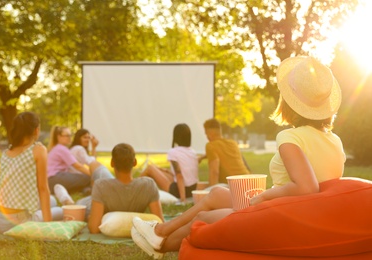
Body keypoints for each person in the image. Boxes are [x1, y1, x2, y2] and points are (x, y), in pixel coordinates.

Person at [131, 56, 345, 258]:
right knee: (215, 194)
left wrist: (265, 196)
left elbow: (307, 187)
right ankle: (159, 230)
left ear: (289, 102)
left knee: (202, 218)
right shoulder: (335, 141)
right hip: (302, 215)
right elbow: (314, 187)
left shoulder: (290, 137)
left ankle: (159, 247)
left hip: (282, 217)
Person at [0, 112, 63, 233]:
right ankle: (65, 201)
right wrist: (49, 227)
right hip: (12, 223)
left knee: (52, 201)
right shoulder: (38, 150)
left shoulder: (7, 152)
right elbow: (43, 189)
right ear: (36, 130)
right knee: (60, 211)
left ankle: (63, 197)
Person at [140, 123, 199, 203]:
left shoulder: (173, 152)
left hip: (179, 191)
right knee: (158, 169)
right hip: (192, 189)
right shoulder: (192, 152)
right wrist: (164, 171)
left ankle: (133, 187)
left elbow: (179, 175)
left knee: (150, 168)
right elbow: (186, 173)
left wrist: (183, 199)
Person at [47, 126, 99, 195]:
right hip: (54, 178)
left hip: (51, 180)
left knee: (82, 179)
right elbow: (78, 166)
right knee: (87, 178)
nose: (69, 137)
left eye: (70, 135)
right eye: (67, 136)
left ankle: (86, 190)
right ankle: (87, 189)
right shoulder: (61, 149)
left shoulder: (57, 148)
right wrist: (94, 175)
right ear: (59, 137)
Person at [199, 118, 250, 187]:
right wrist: (202, 157)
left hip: (235, 187)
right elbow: (222, 153)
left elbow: (214, 172)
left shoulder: (210, 146)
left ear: (210, 134)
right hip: (249, 181)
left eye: (206, 134)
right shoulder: (233, 143)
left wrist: (211, 191)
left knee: (202, 191)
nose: (207, 137)